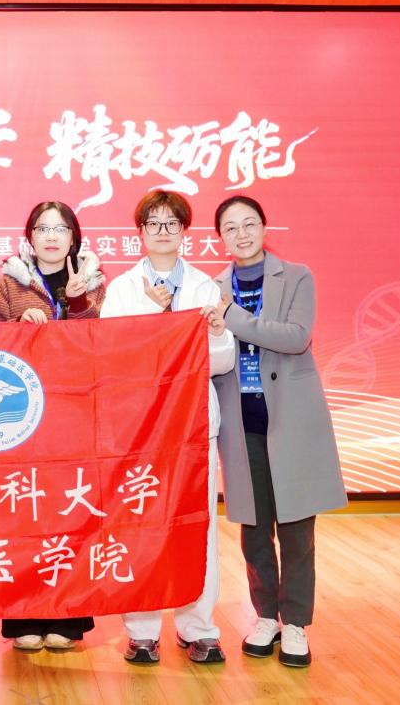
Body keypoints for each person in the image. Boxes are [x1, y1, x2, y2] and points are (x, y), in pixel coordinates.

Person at [201, 195, 347, 669]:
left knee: (298, 529)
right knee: (254, 529)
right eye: (230, 227)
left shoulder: (297, 276)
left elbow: (295, 337)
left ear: (265, 228)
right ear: (219, 237)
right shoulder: (211, 288)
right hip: (241, 421)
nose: (241, 234)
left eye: (249, 224)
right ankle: (266, 616)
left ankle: (296, 622)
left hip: (292, 419)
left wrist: (233, 318)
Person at [101, 189, 235, 666]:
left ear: (184, 232)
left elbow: (222, 361)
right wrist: (155, 318)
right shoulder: (122, 289)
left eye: (171, 223)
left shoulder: (206, 288)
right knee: (138, 525)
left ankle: (199, 628)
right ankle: (141, 632)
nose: (162, 231)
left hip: (193, 427)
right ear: (139, 232)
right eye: (153, 223)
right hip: (140, 431)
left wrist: (216, 332)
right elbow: (113, 356)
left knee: (197, 527)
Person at [0, 200, 105, 651]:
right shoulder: (9, 283)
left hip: (75, 415)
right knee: (23, 513)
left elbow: (100, 340)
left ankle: (68, 619)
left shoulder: (95, 282)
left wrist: (76, 300)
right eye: (42, 228)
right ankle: (23, 619)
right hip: (20, 417)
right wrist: (19, 324)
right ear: (29, 237)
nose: (51, 236)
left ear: (74, 237)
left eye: (60, 229)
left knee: (71, 513)